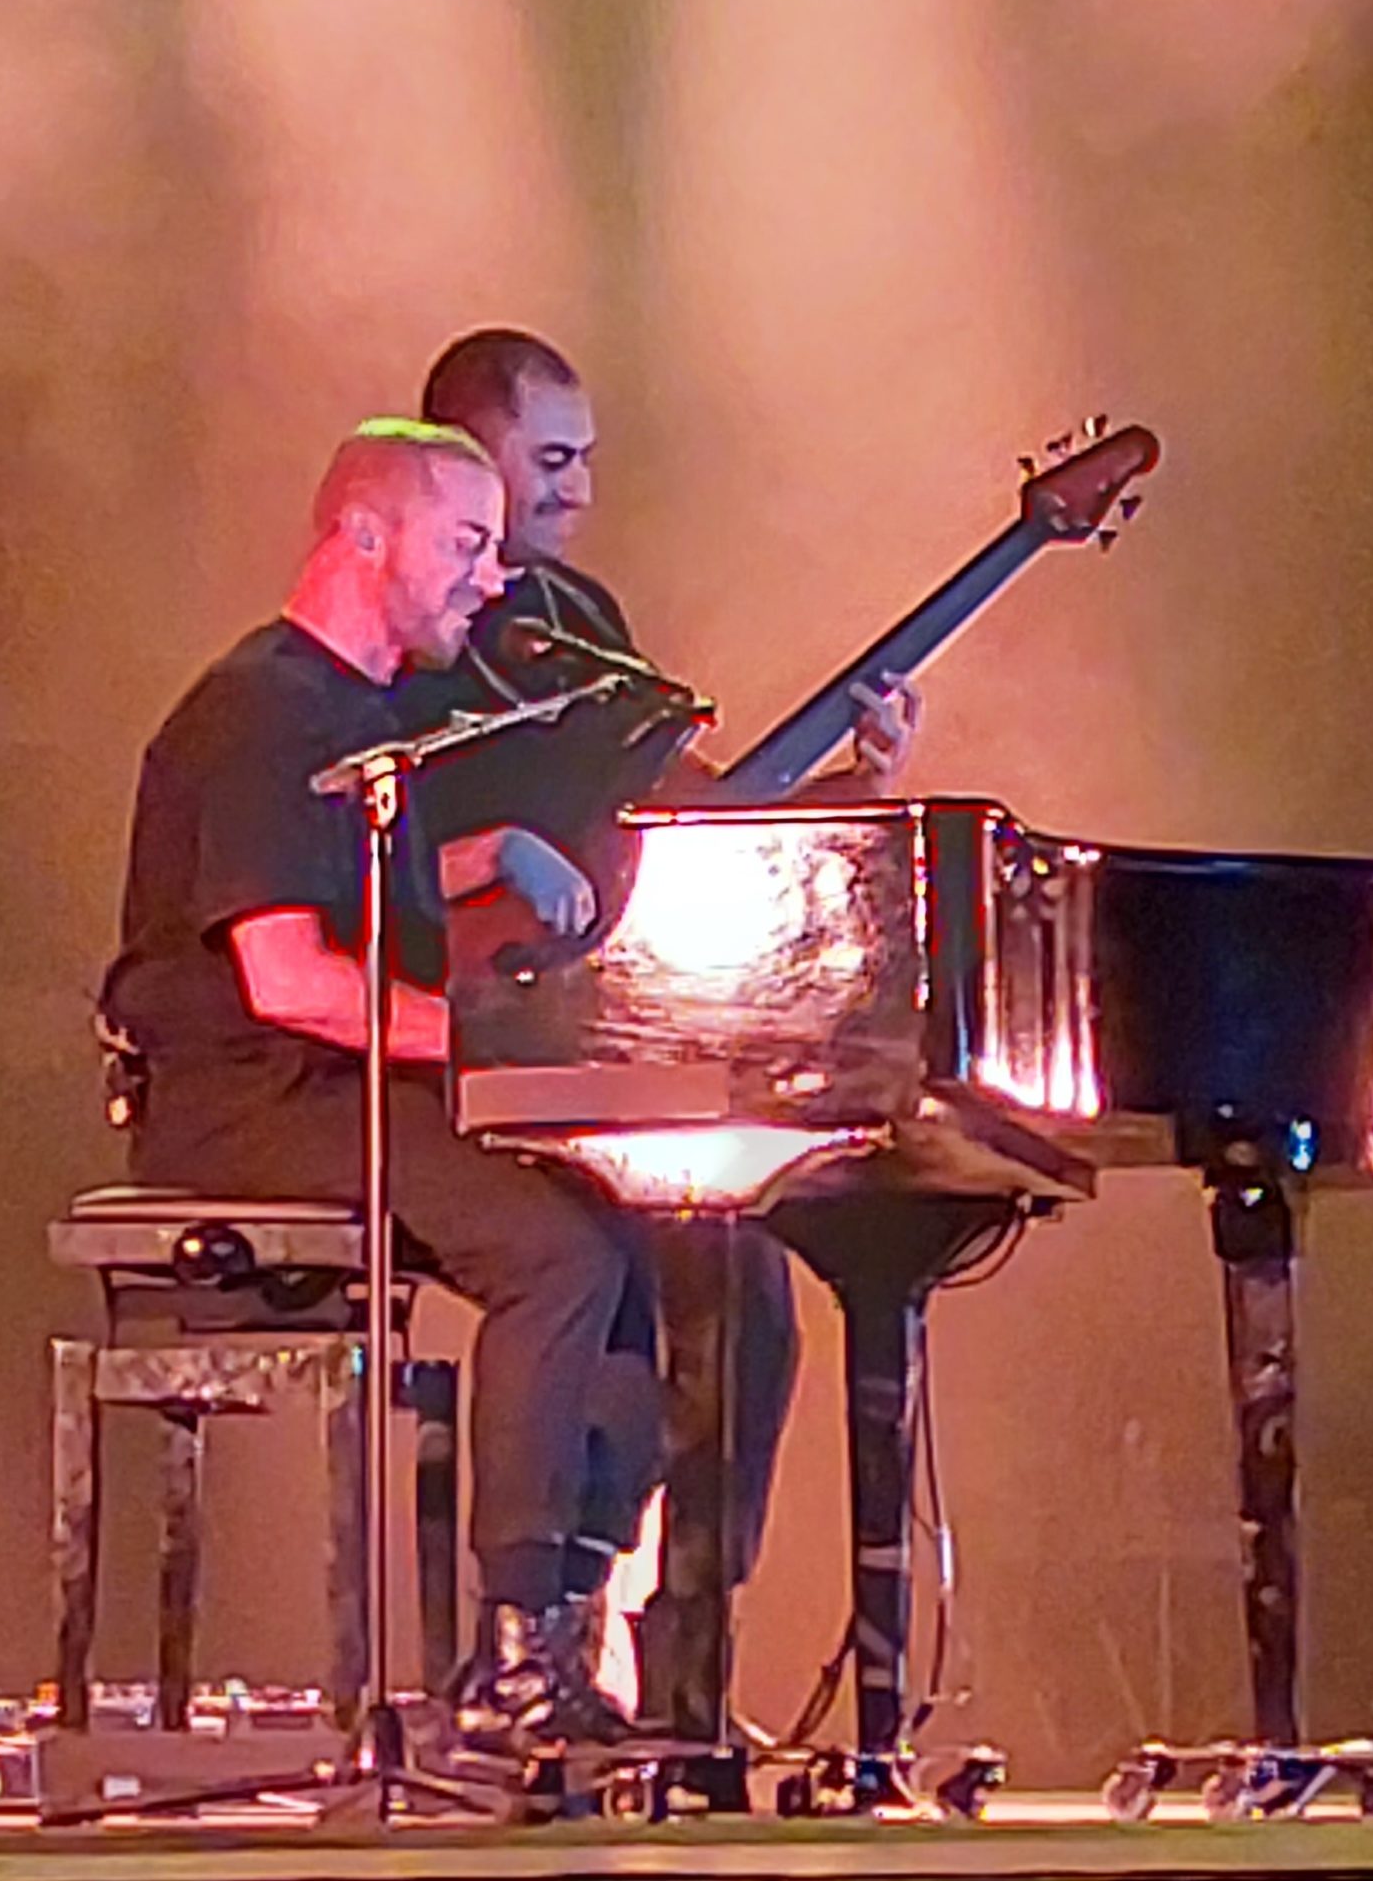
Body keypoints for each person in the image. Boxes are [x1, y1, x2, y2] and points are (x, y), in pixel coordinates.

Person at [98, 418, 659, 1749]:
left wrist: (491, 852)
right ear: (365, 534)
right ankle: (513, 1654)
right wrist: (492, 1048)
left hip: (322, 1085)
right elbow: (288, 978)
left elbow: (339, 875)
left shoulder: (354, 716)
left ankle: (568, 1622)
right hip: (245, 1104)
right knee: (555, 1254)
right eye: (468, 543)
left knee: (626, 1239)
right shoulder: (263, 713)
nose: (495, 578)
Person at [393, 331, 918, 1734]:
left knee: (745, 1293)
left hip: (585, 1033)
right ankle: (537, 1637)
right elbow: (346, 852)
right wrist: (490, 862)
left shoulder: (580, 619)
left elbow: (681, 804)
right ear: (467, 458)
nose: (578, 488)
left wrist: (855, 775)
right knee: (610, 1260)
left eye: (587, 459)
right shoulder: (413, 637)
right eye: (552, 458)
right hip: (445, 1043)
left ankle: (681, 1653)